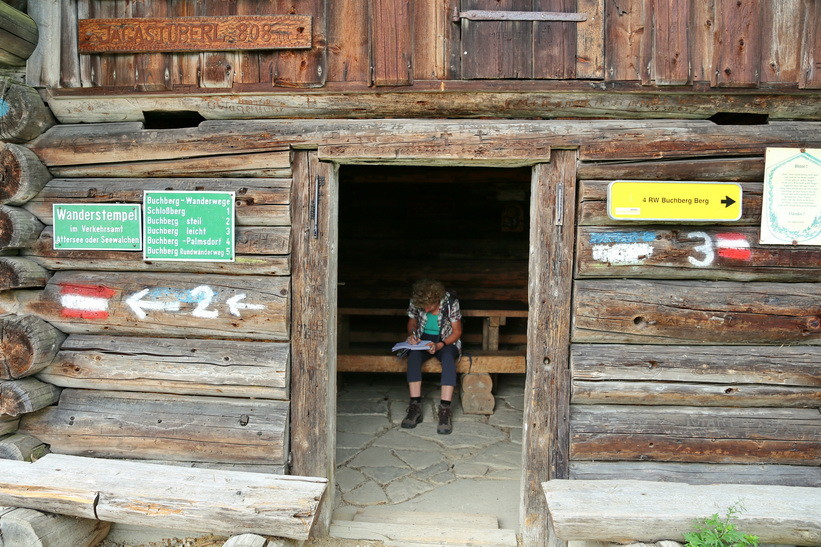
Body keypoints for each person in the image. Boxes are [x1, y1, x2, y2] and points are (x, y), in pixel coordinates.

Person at [401, 279, 462, 434]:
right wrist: (413, 335)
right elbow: (412, 322)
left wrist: (441, 344)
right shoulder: (417, 301)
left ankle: (445, 409)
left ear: (437, 299)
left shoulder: (450, 302)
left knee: (448, 359)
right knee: (413, 356)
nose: (426, 309)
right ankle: (415, 405)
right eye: (423, 307)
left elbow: (457, 332)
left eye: (430, 306)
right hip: (423, 339)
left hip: (446, 339)